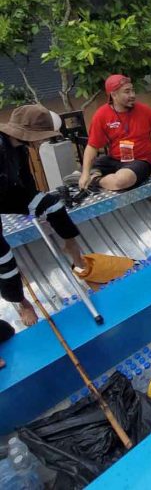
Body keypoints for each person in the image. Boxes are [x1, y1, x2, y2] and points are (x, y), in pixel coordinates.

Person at [0, 105, 87, 369]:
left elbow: (26, 186)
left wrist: (36, 207)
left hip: (4, 194)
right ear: (31, 132)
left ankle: (73, 249)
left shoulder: (21, 148)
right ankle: (21, 302)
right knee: (3, 257)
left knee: (52, 204)